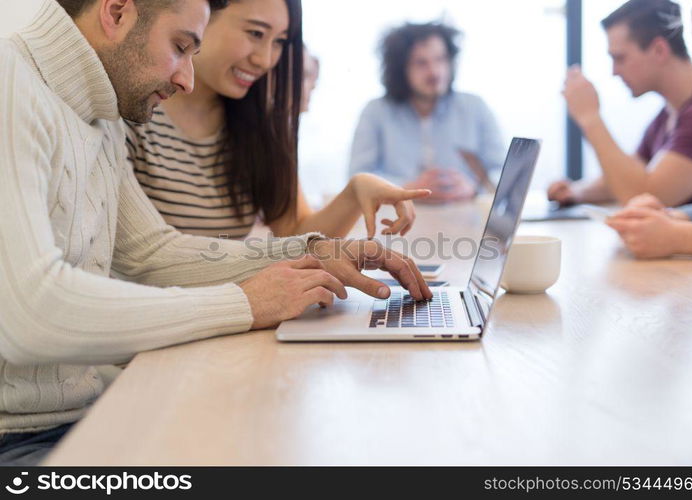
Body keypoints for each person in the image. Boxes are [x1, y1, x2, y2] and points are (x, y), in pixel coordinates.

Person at [0, 0, 430, 465]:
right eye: (180, 46)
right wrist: (245, 303)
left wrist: (314, 252)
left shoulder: (97, 109)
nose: (186, 78)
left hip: (81, 413)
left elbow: (151, 252)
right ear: (117, 11)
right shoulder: (12, 82)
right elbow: (31, 313)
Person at [127, 0, 430, 242]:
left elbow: (298, 234)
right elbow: (147, 258)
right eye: (256, 33)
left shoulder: (259, 124)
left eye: (279, 42)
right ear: (203, 14)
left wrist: (355, 193)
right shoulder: (134, 110)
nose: (265, 59)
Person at [548, 0, 692, 208]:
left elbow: (641, 197)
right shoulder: (667, 116)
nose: (614, 71)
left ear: (659, 50)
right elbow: (626, 178)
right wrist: (575, 191)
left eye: (620, 58)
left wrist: (590, 118)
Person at [348, 21, 505, 204]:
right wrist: (406, 188)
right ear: (401, 69)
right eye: (421, 63)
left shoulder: (475, 107)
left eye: (441, 59)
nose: (434, 71)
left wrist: (474, 187)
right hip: (396, 219)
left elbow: (502, 172)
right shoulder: (375, 112)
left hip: (465, 218)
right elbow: (357, 179)